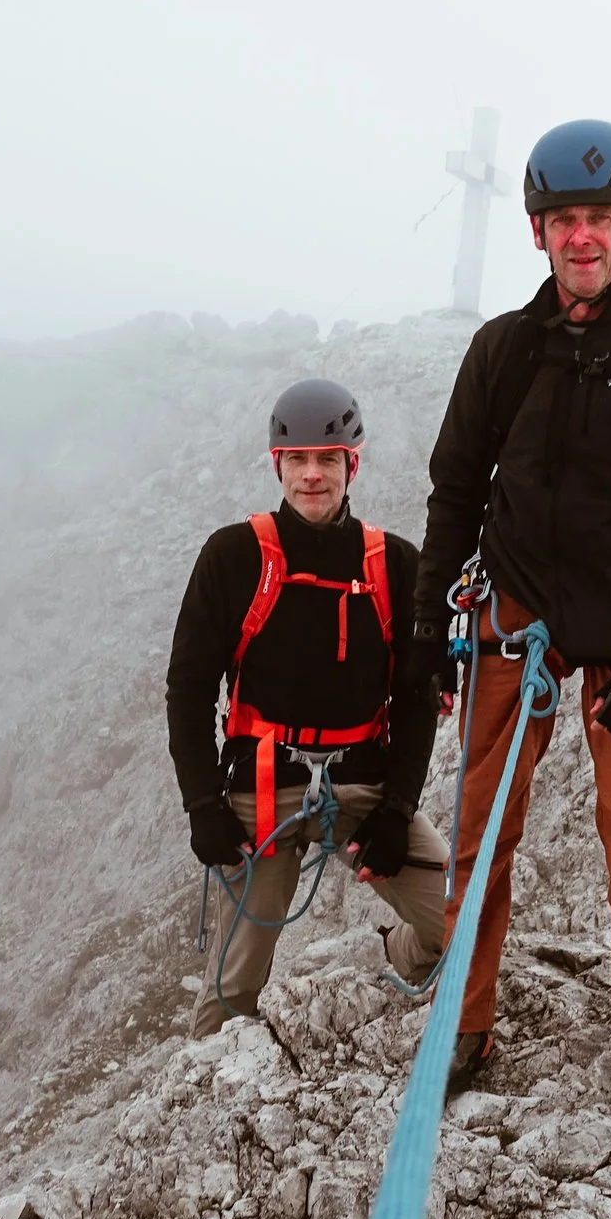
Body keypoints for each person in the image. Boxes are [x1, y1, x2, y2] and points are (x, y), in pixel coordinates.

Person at [411, 118, 611, 1125]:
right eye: (562, 221)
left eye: (597, 218)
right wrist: (430, 625)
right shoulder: (504, 352)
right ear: (537, 233)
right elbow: (456, 489)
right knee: (478, 832)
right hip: (514, 623)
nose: (581, 237)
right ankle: (461, 1022)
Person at [165, 378, 450, 1039]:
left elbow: (414, 699)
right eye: (298, 460)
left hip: (364, 782)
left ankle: (393, 958)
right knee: (232, 988)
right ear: (278, 464)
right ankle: (204, 1092)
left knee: (462, 924)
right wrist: (202, 805)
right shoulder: (234, 556)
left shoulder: (395, 564)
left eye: (329, 459)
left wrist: (397, 810)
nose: (313, 475)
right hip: (262, 790)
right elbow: (188, 686)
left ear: (355, 462)